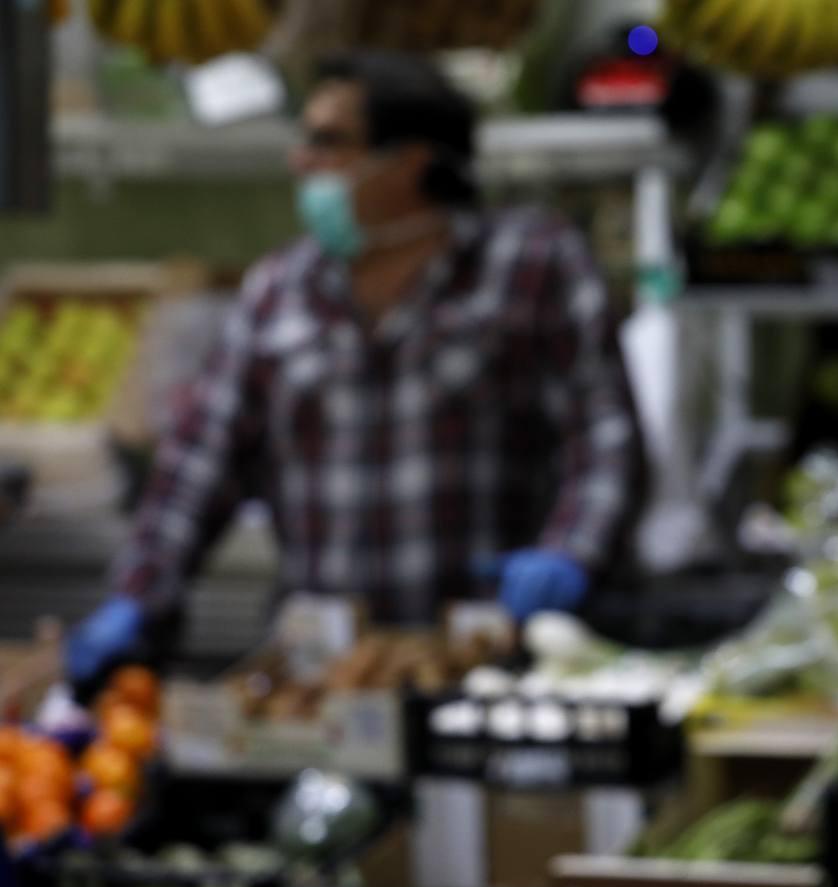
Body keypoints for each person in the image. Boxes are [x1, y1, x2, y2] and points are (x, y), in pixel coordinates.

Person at [66, 51, 644, 683]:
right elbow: (201, 465)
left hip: (487, 663)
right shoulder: (279, 290)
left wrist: (571, 553)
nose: (301, 162)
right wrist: (136, 596)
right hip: (323, 671)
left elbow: (604, 437)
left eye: (329, 143)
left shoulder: (529, 266)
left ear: (410, 162)